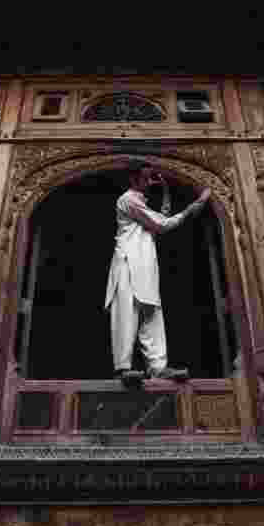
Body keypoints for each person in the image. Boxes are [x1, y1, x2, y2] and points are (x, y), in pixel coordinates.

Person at [104, 162, 211, 384]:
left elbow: (158, 218)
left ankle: (158, 368)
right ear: (134, 179)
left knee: (151, 313)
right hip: (127, 263)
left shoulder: (140, 204)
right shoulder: (128, 200)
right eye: (145, 178)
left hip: (144, 265)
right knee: (127, 314)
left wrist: (164, 191)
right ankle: (123, 368)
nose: (148, 181)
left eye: (150, 177)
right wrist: (193, 207)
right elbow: (161, 224)